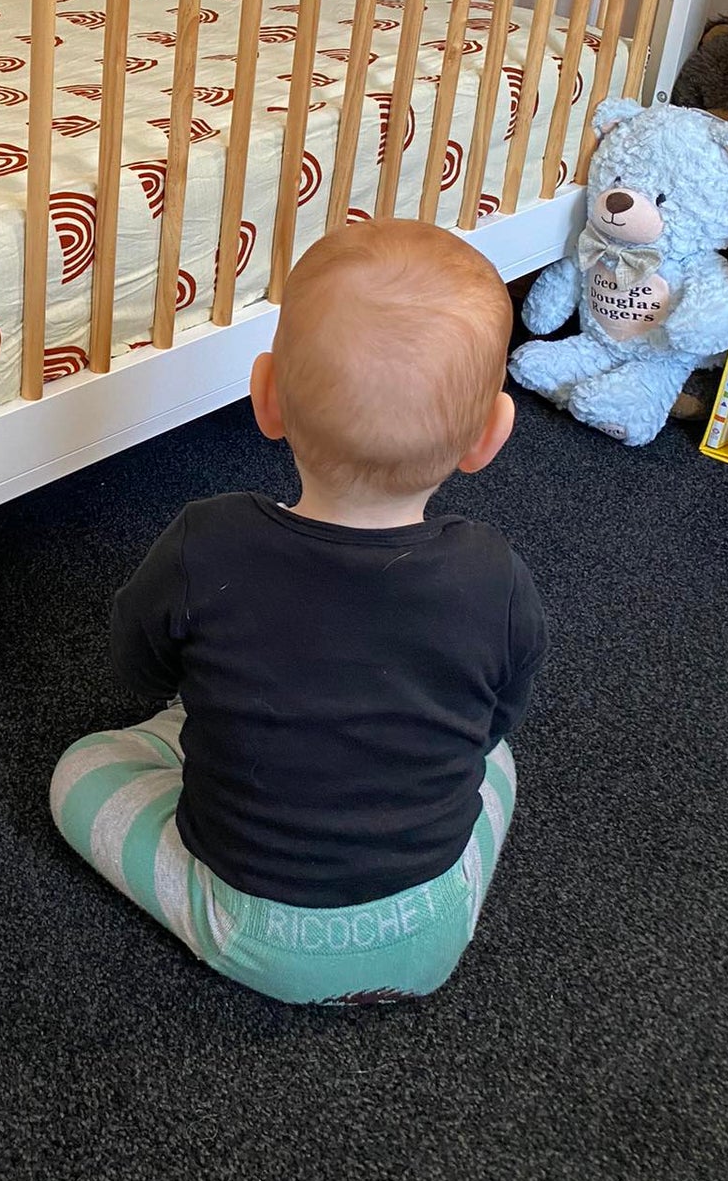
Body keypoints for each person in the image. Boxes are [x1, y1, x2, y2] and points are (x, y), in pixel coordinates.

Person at [50, 219, 546, 1004]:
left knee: (78, 771)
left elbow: (135, 664)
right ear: (488, 436)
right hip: (435, 926)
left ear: (265, 396)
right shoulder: (497, 577)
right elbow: (495, 715)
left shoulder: (205, 543)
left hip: (257, 930)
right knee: (499, 760)